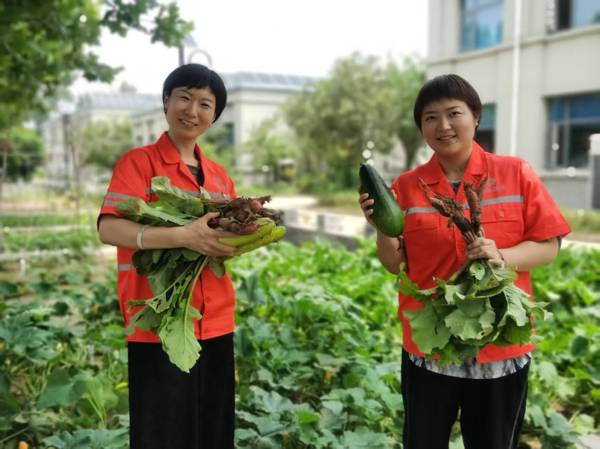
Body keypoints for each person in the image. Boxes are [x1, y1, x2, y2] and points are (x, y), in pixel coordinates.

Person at [359, 74, 571, 449]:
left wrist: (501, 255)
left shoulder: (516, 173)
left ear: (475, 117)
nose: (443, 125)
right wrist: (380, 227)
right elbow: (395, 264)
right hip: (431, 346)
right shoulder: (406, 186)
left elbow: (549, 246)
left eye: (453, 113)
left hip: (498, 346)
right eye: (431, 117)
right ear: (421, 128)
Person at [97, 64, 238, 449]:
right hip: (159, 319)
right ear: (166, 101)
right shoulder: (138, 163)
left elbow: (221, 242)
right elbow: (109, 228)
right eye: (184, 98)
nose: (192, 110)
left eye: (205, 104)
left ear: (214, 115)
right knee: (163, 433)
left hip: (215, 320)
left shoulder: (220, 176)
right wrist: (183, 236)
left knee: (213, 431)